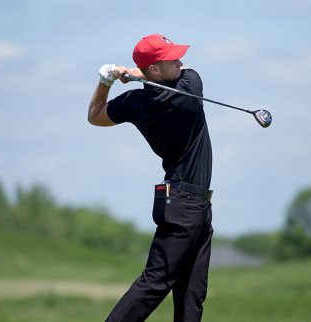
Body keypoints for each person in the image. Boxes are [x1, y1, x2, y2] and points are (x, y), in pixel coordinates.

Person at [88, 34, 214, 322]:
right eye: (173, 59)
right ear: (156, 70)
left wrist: (106, 81)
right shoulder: (189, 91)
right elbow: (188, 71)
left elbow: (95, 115)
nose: (181, 62)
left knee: (191, 297)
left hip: (188, 204)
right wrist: (135, 73)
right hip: (185, 206)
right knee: (155, 282)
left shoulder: (136, 102)